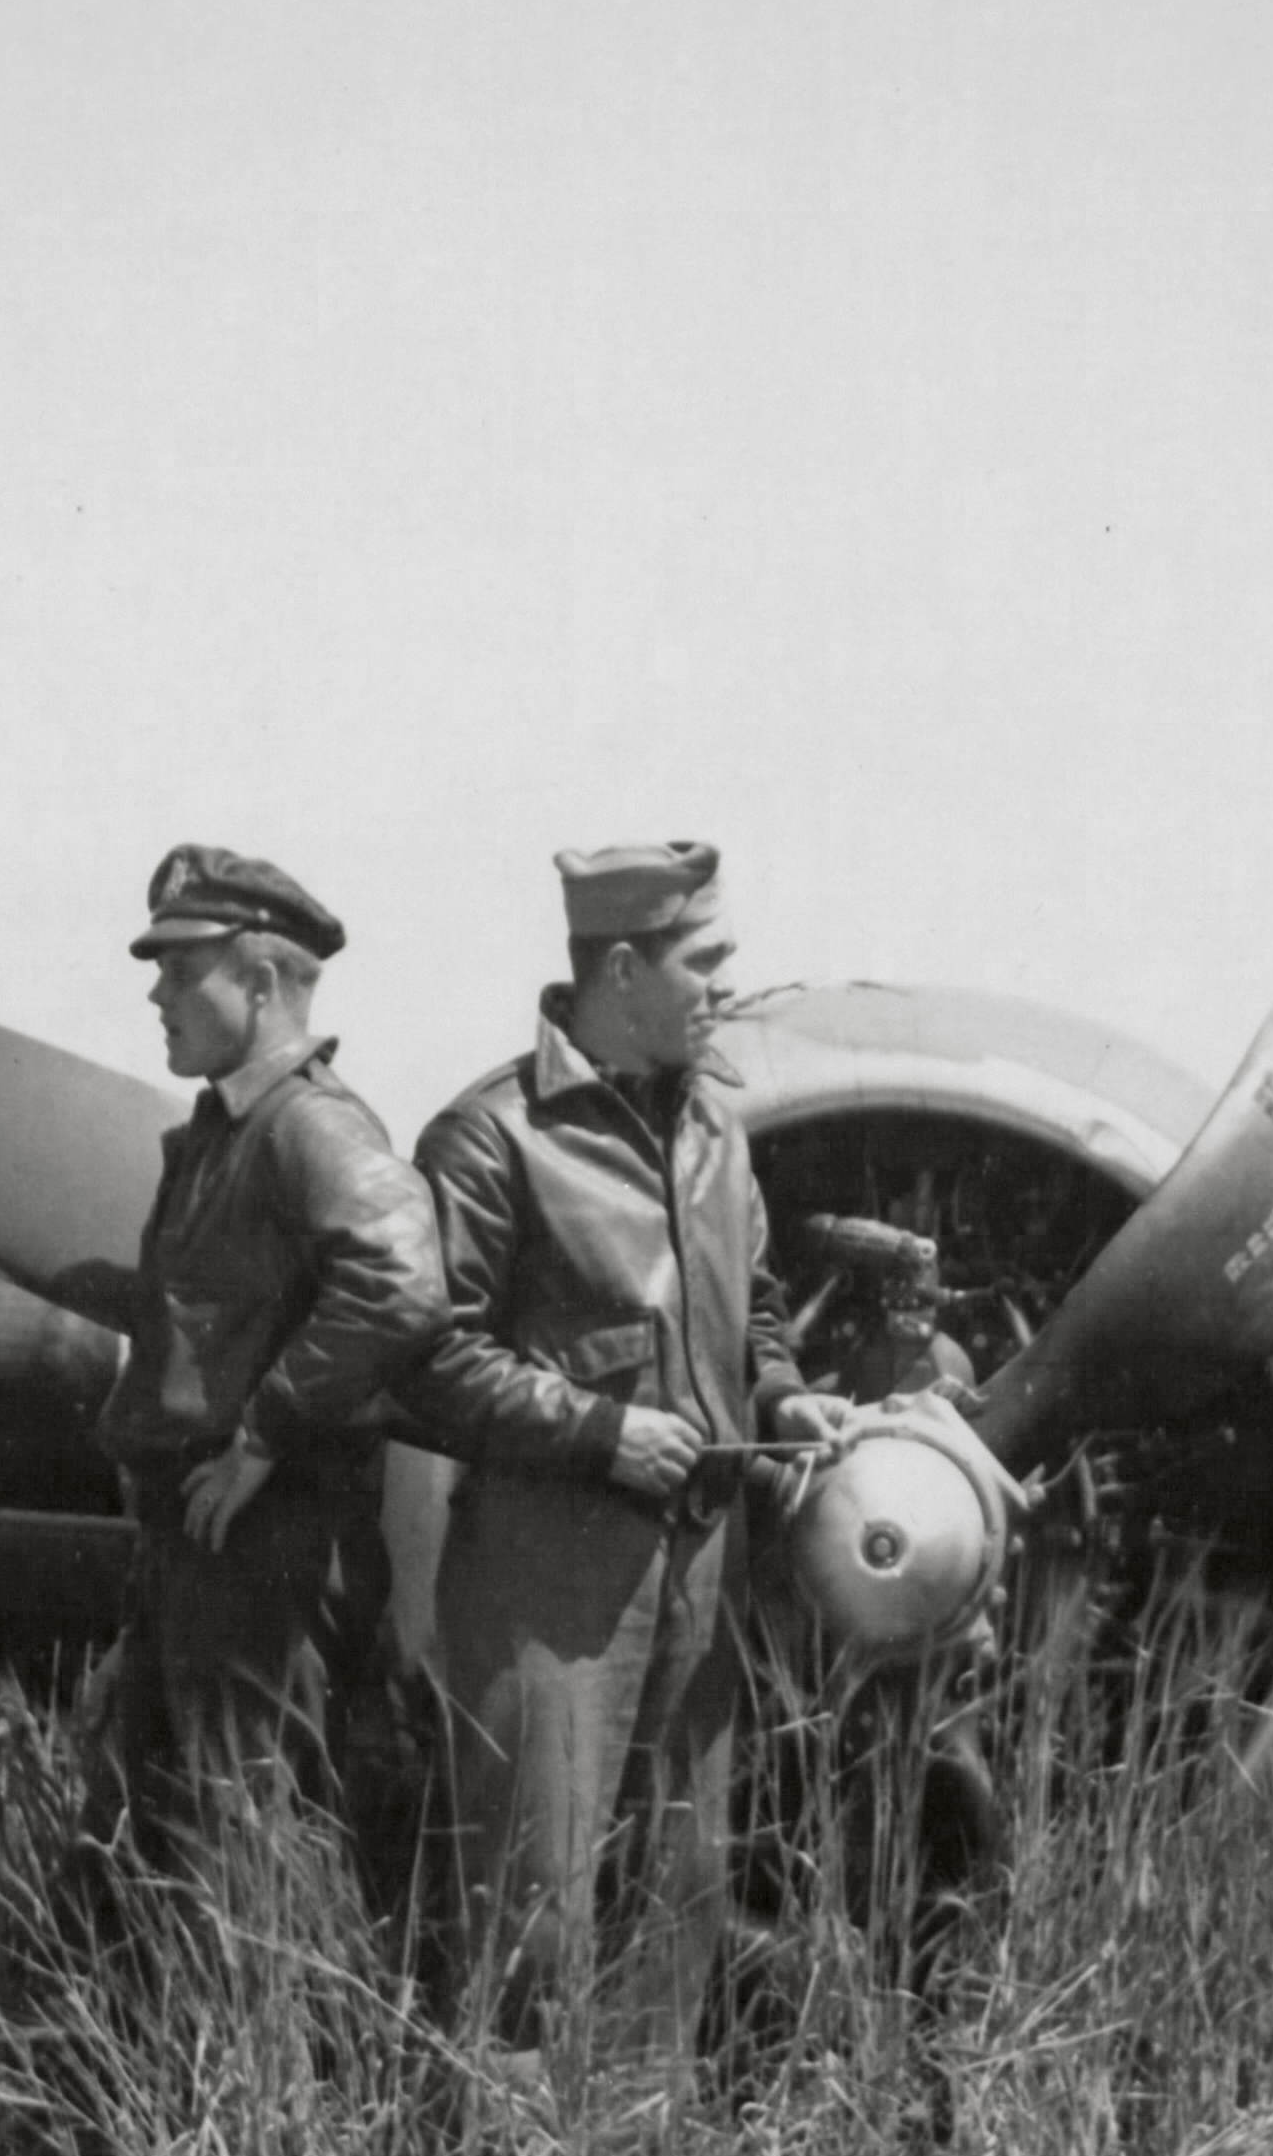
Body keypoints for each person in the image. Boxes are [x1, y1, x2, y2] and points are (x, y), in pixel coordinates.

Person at [404, 840, 851, 2049]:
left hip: (697, 1576)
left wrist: (782, 1398)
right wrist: (601, 1434)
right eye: (701, 961)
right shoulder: (490, 1139)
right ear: (618, 971)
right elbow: (424, 1360)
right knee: (532, 1916)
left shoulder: (715, 1134)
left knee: (678, 1903)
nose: (722, 985)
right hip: (547, 1582)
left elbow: (754, 1313)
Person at [99, 843, 445, 1916]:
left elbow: (401, 1283)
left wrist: (263, 1435)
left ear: (258, 980)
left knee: (244, 1847)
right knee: (176, 1831)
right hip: (207, 1540)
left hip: (266, 1549)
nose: (156, 994)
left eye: (179, 970)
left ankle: (276, 2033)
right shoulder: (227, 1129)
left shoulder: (308, 1124)